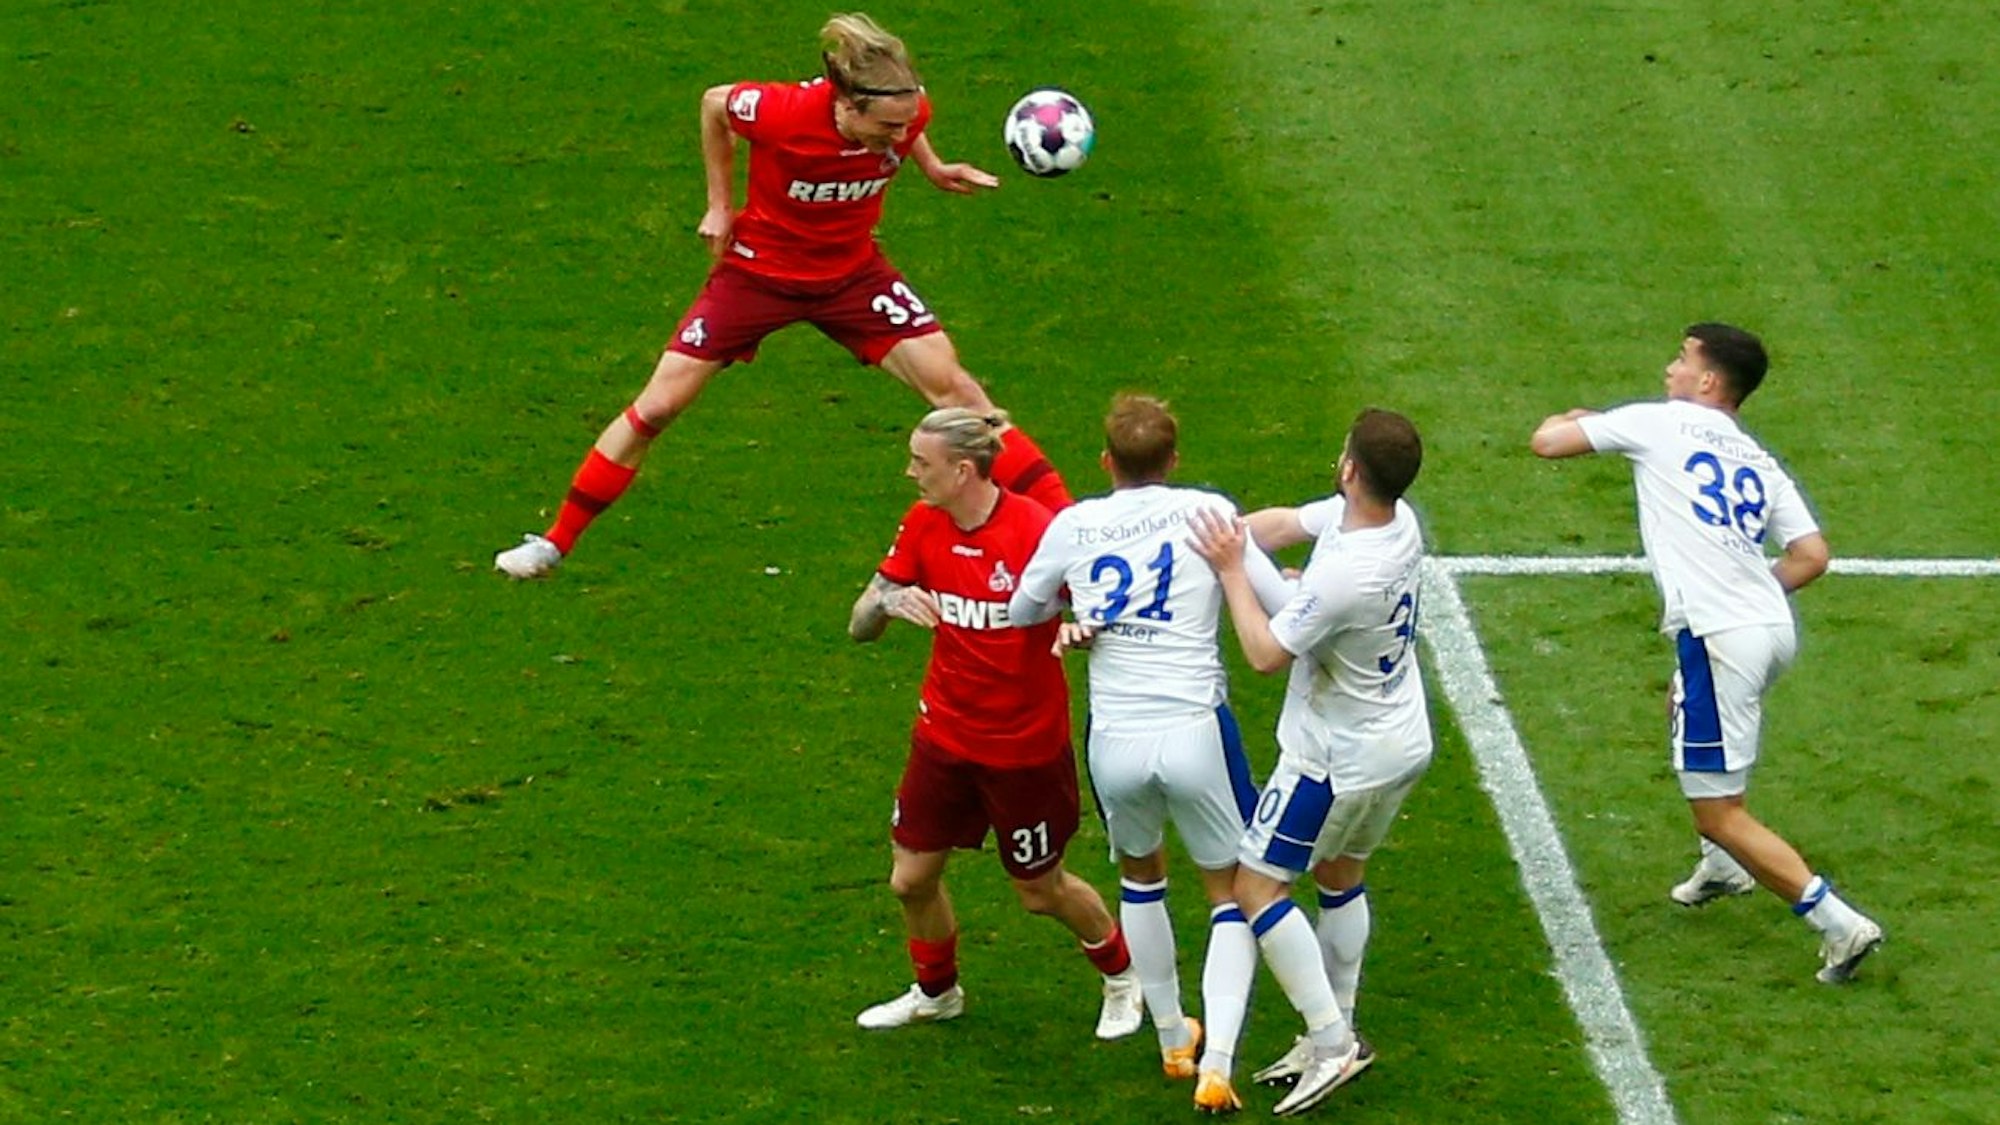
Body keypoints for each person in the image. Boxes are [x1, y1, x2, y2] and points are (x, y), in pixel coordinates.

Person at [495, 12, 1068, 579]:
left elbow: (908, 129)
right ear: (847, 106)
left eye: (907, 125)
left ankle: (1073, 533)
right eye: (888, 128)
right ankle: (554, 543)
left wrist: (933, 166)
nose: (900, 137)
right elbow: (714, 104)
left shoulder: (907, 109)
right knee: (659, 405)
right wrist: (720, 205)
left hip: (853, 275)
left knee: (960, 394)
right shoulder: (782, 111)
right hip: (757, 274)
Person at [1529, 322, 1883, 983]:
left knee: (1720, 810)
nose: (1670, 369)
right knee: (1682, 699)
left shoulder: (1660, 422)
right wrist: (1754, 589)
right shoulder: (1757, 457)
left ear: (1710, 379)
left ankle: (1839, 923)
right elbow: (1811, 555)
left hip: (1722, 636)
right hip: (1768, 628)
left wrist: (1575, 417)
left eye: (1682, 359)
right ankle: (1721, 867)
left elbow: (1547, 442)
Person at [847, 407, 1140, 1038]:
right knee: (910, 879)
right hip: (943, 736)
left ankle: (1122, 977)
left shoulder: (1037, 531)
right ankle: (937, 993)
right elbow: (859, 624)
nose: (910, 473)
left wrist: (1081, 628)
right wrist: (888, 601)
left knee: (1040, 890)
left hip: (1022, 749)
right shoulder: (923, 524)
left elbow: (1101, 608)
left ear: (962, 470)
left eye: (921, 462)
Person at [1006, 395, 1267, 1099]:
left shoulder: (1073, 523)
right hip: (1193, 727)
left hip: (1115, 737)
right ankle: (1218, 1062)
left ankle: (1173, 1038)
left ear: (1106, 461)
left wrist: (1078, 610)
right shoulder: (1206, 509)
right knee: (1232, 893)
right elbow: (1259, 585)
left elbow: (1023, 608)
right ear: (1173, 460)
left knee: (1141, 877)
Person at [1185, 408, 1432, 1117]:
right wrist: (1225, 532)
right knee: (1340, 874)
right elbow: (1287, 525)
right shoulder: (1396, 521)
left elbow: (1265, 652)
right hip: (1397, 738)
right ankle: (1334, 1025)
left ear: (1350, 467)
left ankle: (1332, 1041)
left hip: (1333, 757)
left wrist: (1231, 571)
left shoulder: (1348, 573)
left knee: (1256, 889)